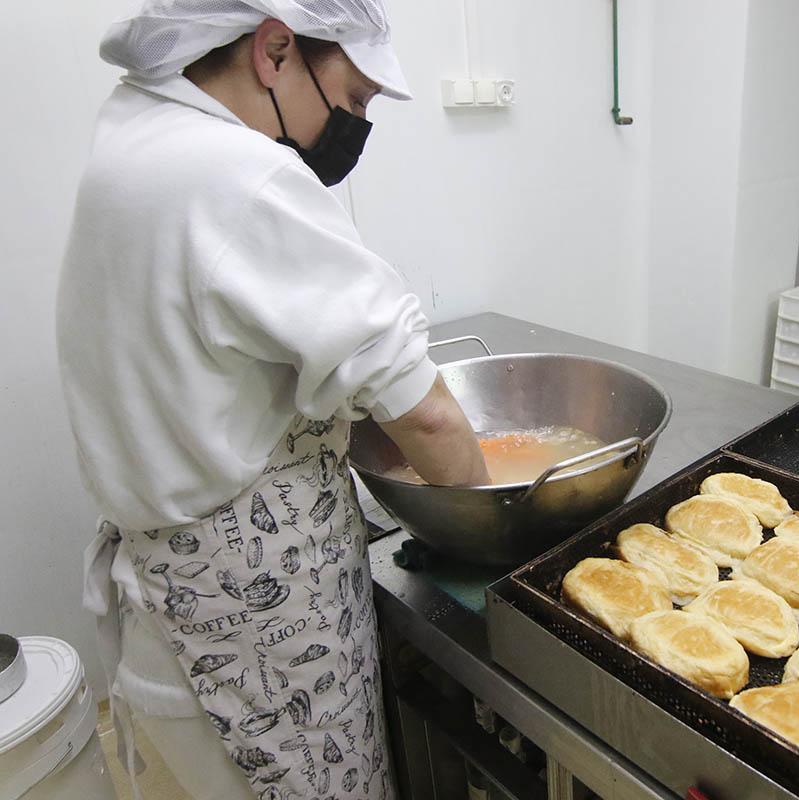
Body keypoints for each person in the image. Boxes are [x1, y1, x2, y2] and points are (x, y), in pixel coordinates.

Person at [57, 2, 488, 798]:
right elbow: (425, 410)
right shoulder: (239, 175)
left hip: (170, 599)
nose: (357, 124)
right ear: (274, 51)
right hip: (256, 628)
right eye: (355, 100)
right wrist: (489, 519)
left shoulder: (136, 129)